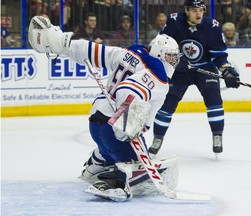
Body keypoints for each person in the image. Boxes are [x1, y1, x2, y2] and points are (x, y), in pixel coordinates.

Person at [28, 16, 180, 201]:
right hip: (114, 128)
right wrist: (127, 122)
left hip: (96, 121)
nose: (173, 61)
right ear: (159, 53)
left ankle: (96, 165)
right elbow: (128, 90)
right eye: (170, 56)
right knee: (136, 166)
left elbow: (93, 51)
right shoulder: (158, 74)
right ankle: (113, 183)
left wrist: (61, 44)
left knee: (114, 147)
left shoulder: (130, 53)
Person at [148, 0, 240, 158]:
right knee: (167, 104)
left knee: (214, 100)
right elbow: (159, 46)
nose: (198, 14)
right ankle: (158, 138)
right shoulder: (174, 22)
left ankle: (217, 135)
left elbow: (219, 56)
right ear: (186, 11)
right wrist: (176, 60)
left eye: (201, 10)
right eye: (194, 10)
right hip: (180, 70)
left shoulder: (213, 26)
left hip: (205, 69)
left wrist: (227, 71)